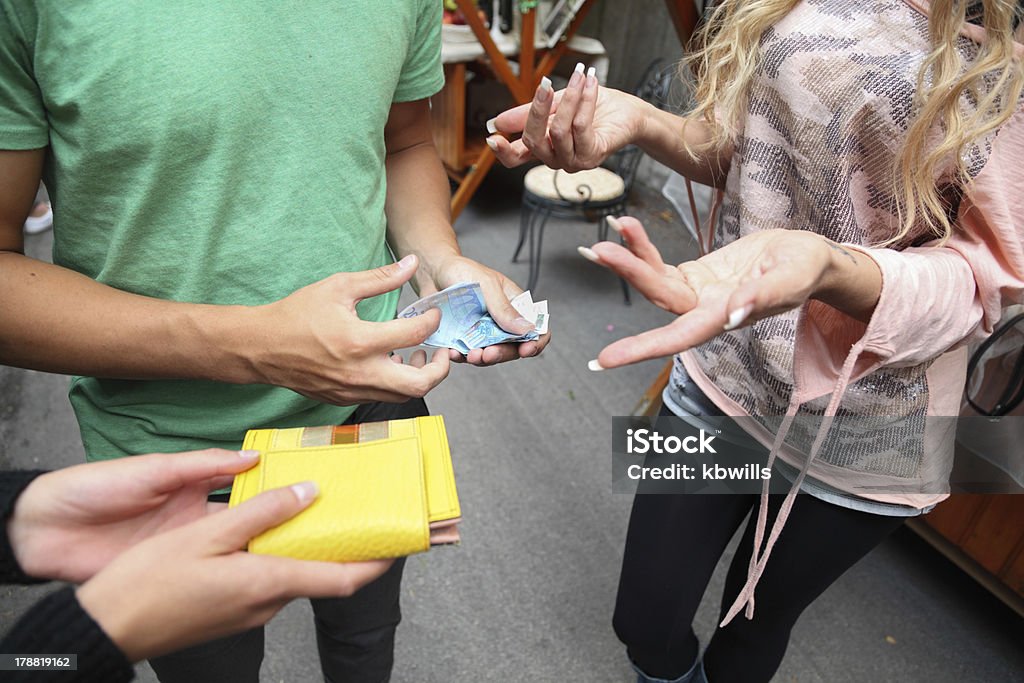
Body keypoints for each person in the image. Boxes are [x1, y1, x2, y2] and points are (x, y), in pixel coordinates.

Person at [0, 2, 548, 681]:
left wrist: (442, 261)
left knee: (366, 640)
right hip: (171, 456)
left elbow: (403, 140)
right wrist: (255, 343)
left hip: (368, 407)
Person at [487, 1, 1023, 682]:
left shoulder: (1004, 41)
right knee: (642, 620)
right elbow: (747, 150)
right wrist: (643, 120)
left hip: (873, 430)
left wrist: (831, 267)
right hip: (724, 373)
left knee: (752, 630)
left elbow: (983, 284)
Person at [1, 448, 392, 683]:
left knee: (364, 632)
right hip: (171, 451)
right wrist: (101, 628)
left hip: (363, 416)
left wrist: (22, 518)